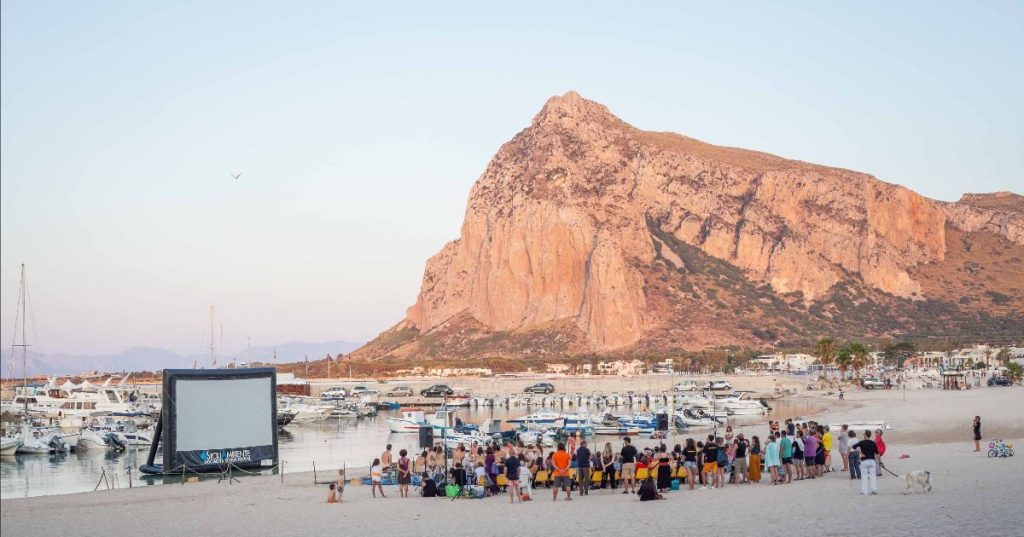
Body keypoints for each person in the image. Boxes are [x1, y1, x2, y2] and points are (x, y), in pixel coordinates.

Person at [853, 430, 879, 495]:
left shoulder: (862, 442)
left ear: (865, 435)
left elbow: (854, 446)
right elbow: (877, 453)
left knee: (864, 477)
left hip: (864, 461)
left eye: (864, 434)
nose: (863, 435)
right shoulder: (873, 443)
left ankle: (864, 491)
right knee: (873, 476)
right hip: (872, 461)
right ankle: (874, 490)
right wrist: (879, 461)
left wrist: (860, 453)